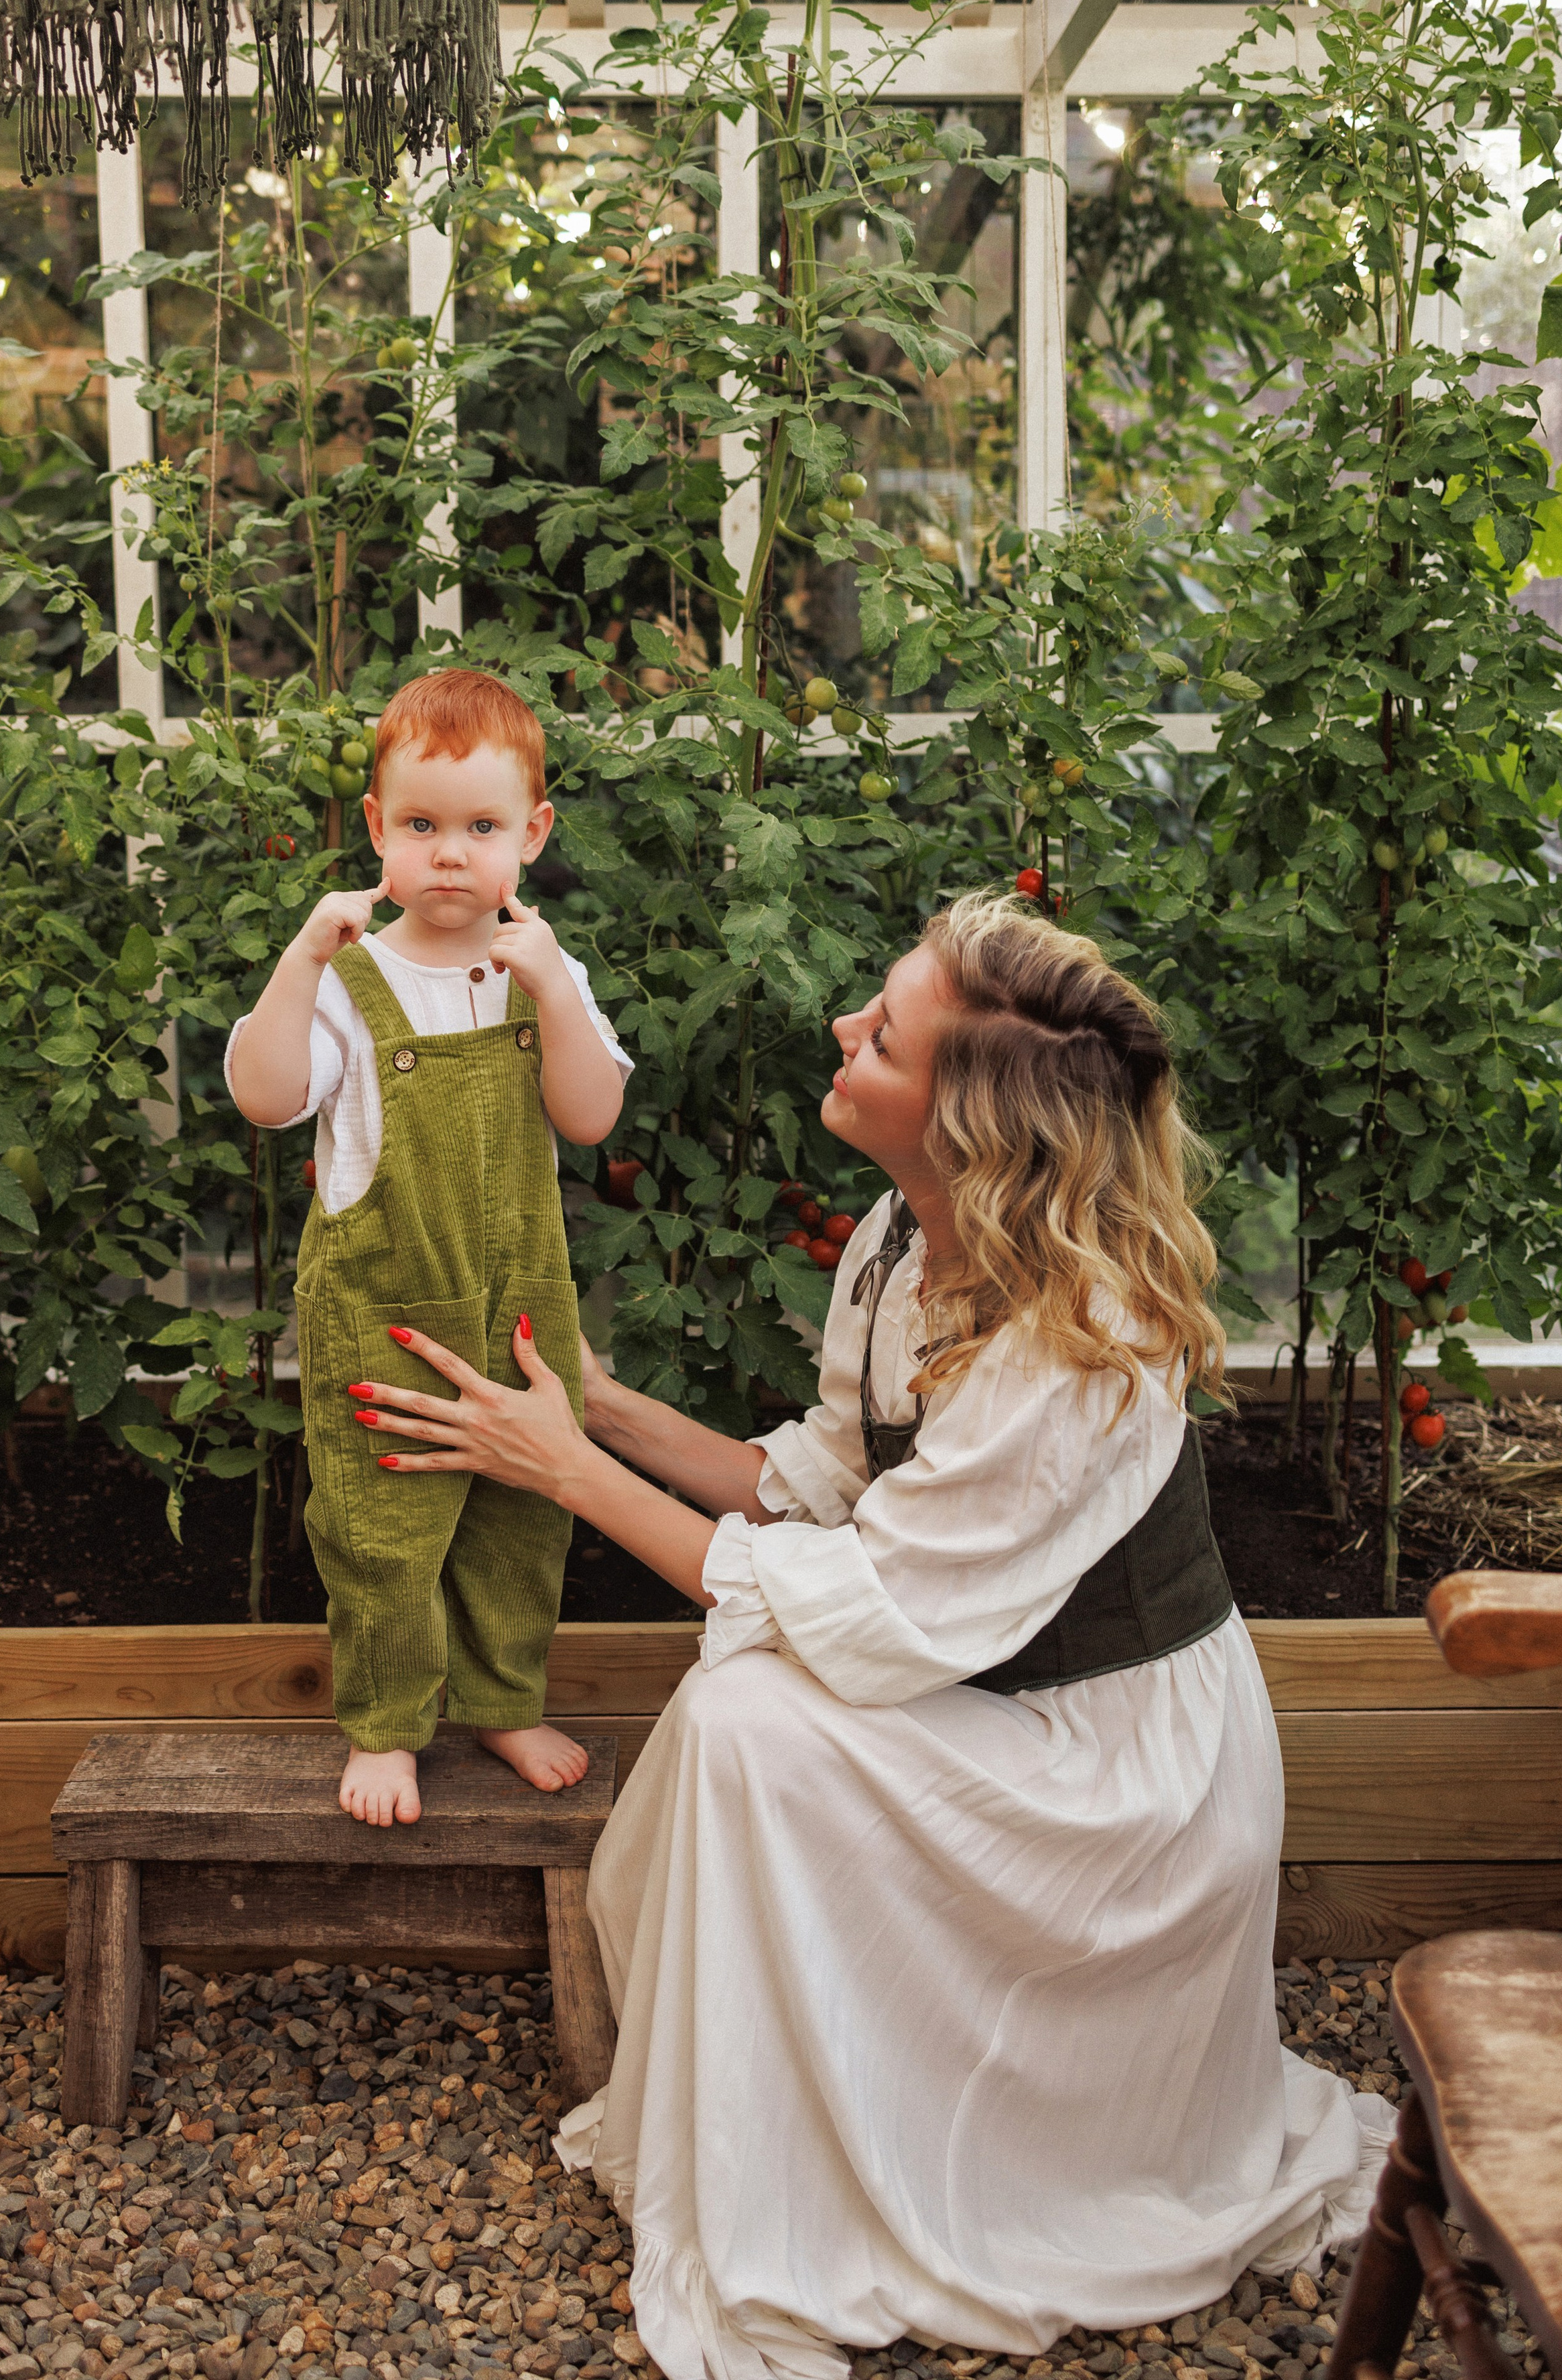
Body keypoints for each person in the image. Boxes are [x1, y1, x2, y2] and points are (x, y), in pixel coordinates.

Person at [335, 888, 1390, 2379]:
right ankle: (790, 2119)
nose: (842, 1027)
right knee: (738, 1707)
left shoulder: (1072, 1341)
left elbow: (864, 1610)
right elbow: (816, 1476)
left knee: (752, 1715)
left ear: (968, 1122)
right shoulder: (910, 1236)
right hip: (995, 1688)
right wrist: (597, 1398)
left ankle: (878, 2163)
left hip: (1113, 1776)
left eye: (881, 1030)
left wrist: (561, 1469)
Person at [226, 671, 631, 1821]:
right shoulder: (354, 978)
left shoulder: (543, 973)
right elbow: (266, 1097)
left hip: (516, 1305)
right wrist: (301, 959)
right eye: (422, 825)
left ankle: (503, 1701)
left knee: (519, 1523)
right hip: (386, 1307)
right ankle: (390, 1724)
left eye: (481, 828)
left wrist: (553, 988)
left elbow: (590, 1115)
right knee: (382, 1528)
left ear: (532, 836)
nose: (450, 854)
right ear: (376, 829)